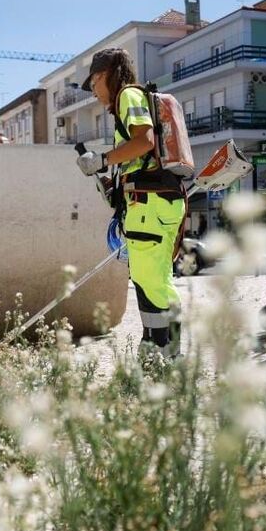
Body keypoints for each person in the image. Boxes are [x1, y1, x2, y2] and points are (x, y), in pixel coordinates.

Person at [75, 48, 186, 359]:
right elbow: (141, 156)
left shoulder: (127, 97)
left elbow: (144, 140)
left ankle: (161, 352)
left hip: (150, 205)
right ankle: (164, 350)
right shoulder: (131, 99)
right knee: (155, 279)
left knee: (149, 281)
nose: (94, 93)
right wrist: (115, 183)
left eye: (93, 84)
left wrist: (102, 159)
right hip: (155, 201)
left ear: (102, 76)